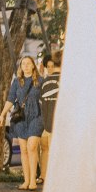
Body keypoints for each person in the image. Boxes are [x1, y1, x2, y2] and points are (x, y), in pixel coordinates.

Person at [0, 55, 43, 191]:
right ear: (21, 67)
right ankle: (26, 181)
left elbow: (46, 100)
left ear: (33, 65)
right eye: (23, 64)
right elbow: (11, 99)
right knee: (23, 149)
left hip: (36, 116)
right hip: (21, 118)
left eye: (28, 63)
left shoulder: (40, 80)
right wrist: (2, 114)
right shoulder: (17, 82)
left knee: (32, 146)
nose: (26, 66)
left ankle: (33, 180)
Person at [38, 49, 62, 185]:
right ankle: (46, 176)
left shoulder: (45, 82)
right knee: (48, 149)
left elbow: (42, 104)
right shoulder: (64, 81)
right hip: (54, 124)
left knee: (47, 149)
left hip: (48, 124)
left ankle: (45, 176)